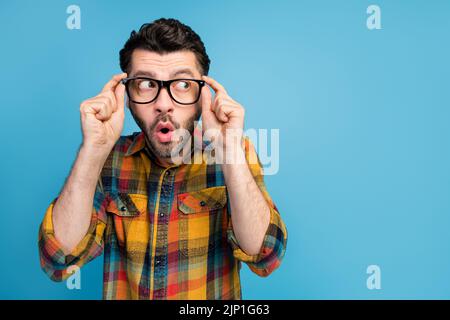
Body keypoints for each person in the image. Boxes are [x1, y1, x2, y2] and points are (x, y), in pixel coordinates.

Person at [38, 18, 287, 300]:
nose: (164, 103)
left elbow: (265, 256)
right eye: (146, 84)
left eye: (182, 84)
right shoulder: (107, 159)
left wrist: (229, 152)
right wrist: (93, 149)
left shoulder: (234, 153)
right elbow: (57, 259)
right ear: (126, 95)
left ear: (203, 95)